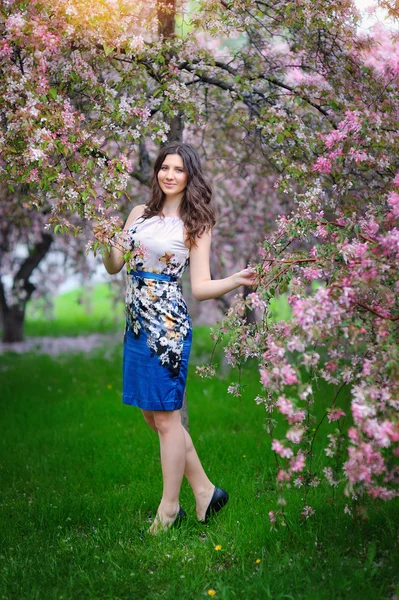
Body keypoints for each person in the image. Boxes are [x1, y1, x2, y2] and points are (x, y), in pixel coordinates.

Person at [93, 142, 256, 534]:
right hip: (136, 325)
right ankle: (205, 492)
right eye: (164, 167)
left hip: (166, 327)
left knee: (167, 419)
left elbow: (199, 287)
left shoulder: (195, 224)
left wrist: (234, 280)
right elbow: (115, 266)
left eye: (178, 169)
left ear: (189, 177)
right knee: (154, 416)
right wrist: (108, 241)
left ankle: (169, 509)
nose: (169, 174)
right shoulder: (138, 214)